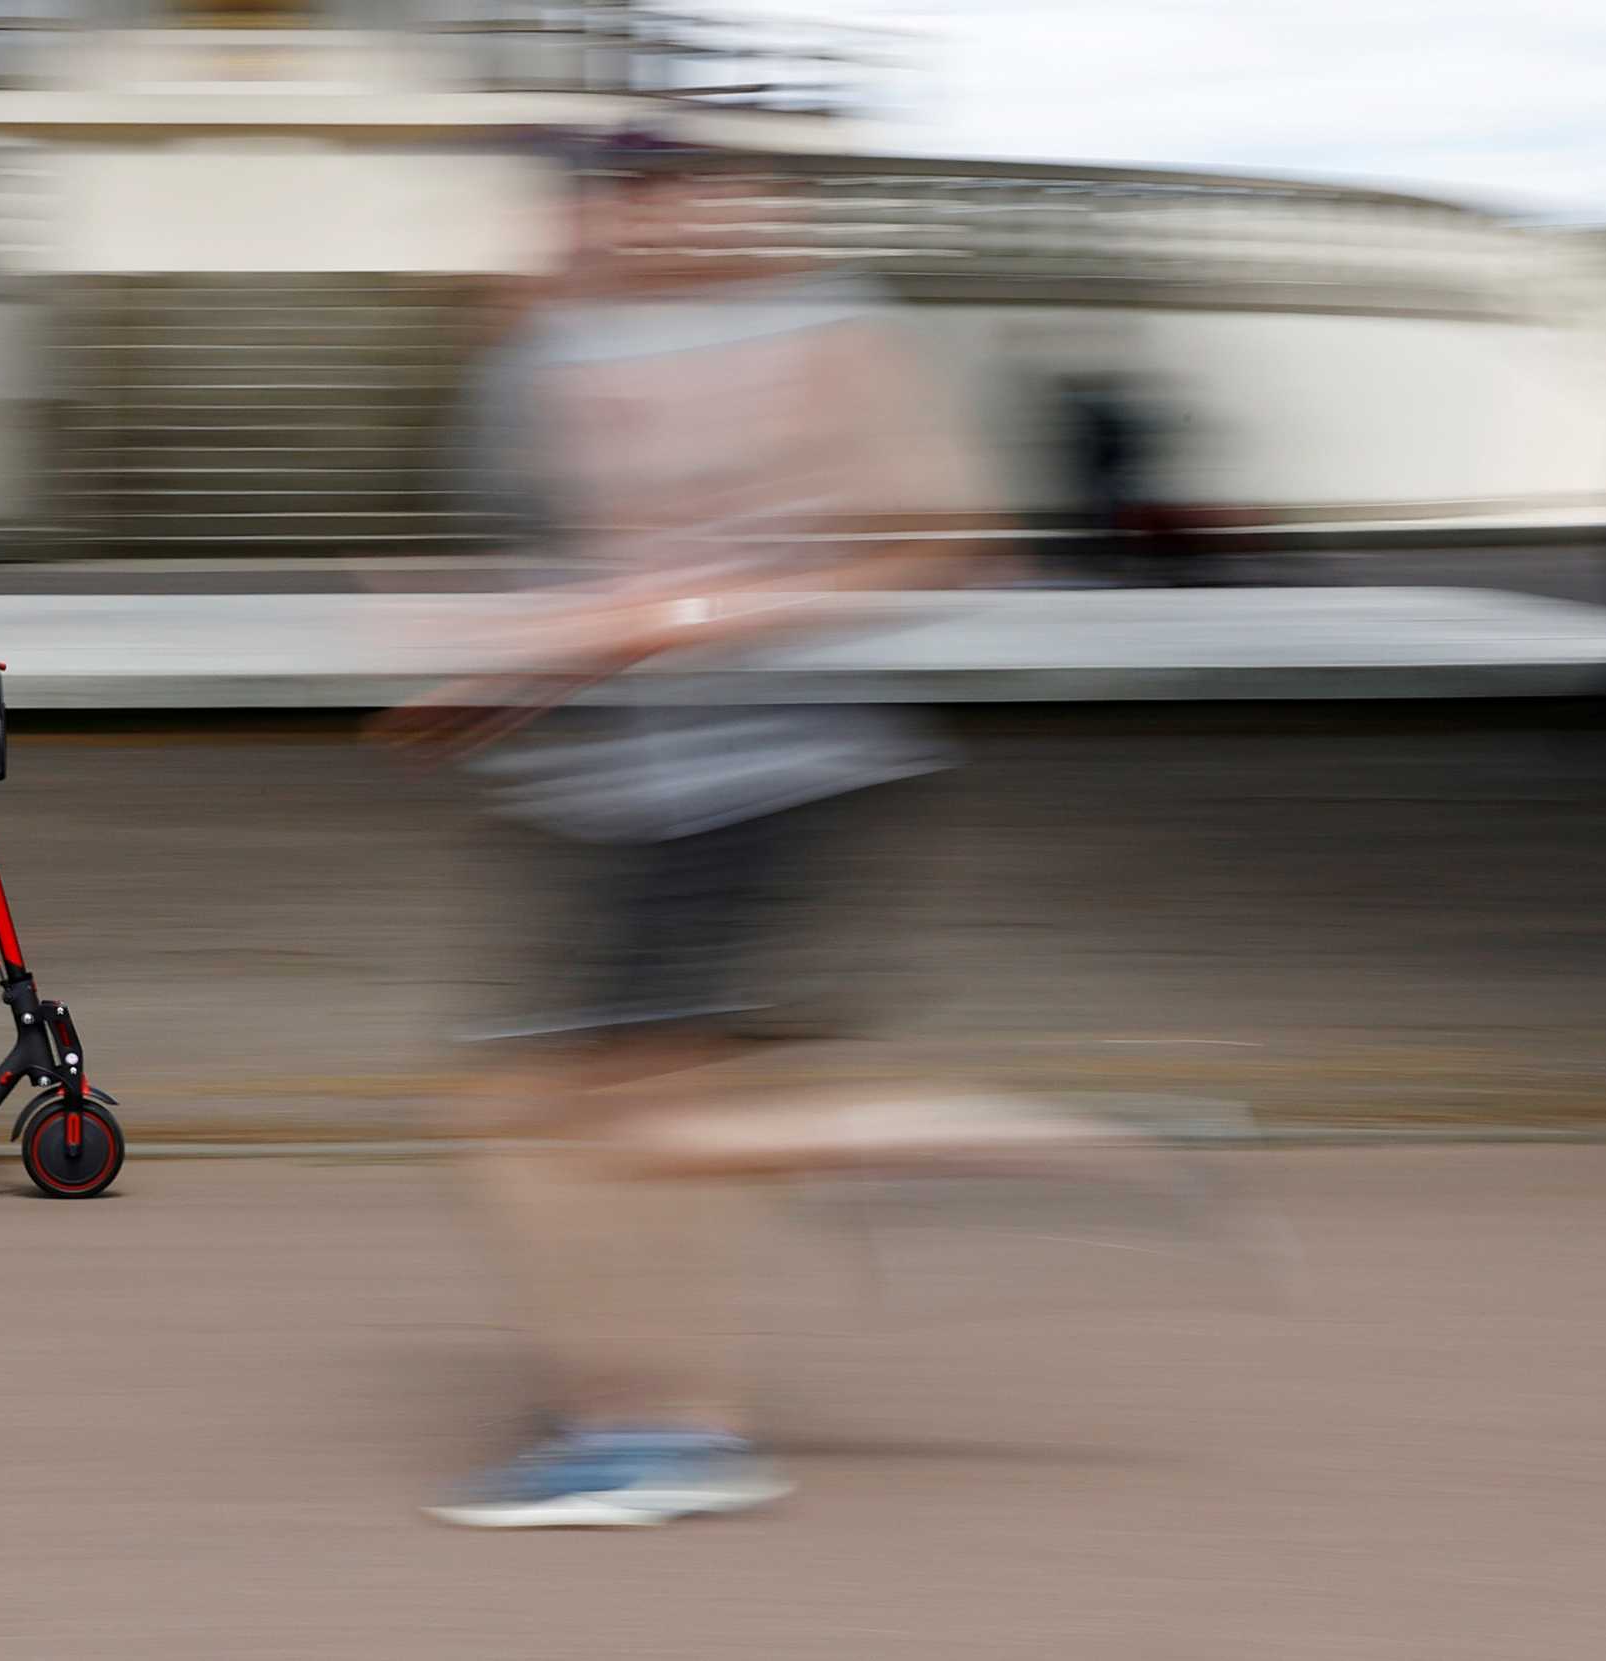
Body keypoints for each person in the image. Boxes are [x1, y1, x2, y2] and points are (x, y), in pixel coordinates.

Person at [387, 143, 1128, 1528]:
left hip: (758, 778)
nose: (583, 240)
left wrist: (655, 622)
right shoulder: (561, 345)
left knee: (551, 1118)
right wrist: (500, 677)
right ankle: (667, 1403)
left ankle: (656, 1419)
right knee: (623, 1115)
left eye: (618, 211)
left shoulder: (829, 327)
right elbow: (595, 571)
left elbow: (945, 540)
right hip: (625, 787)